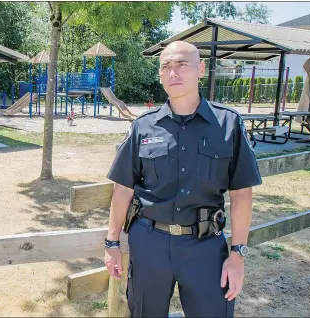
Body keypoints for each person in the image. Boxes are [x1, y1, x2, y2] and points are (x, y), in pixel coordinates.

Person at [104, 41, 262, 317]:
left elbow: (241, 195)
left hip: (205, 248)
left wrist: (237, 255)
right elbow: (123, 188)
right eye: (166, 66)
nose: (173, 72)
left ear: (200, 69)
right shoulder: (143, 126)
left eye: (181, 64)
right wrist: (112, 243)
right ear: (160, 75)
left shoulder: (228, 124)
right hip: (149, 244)